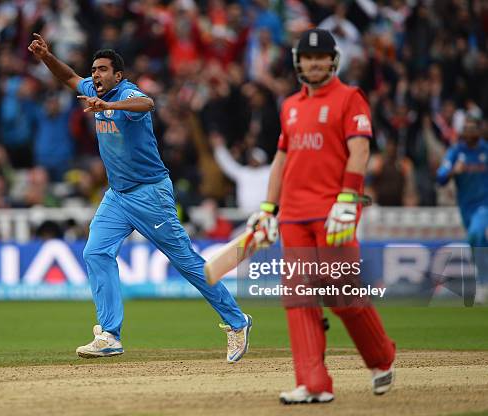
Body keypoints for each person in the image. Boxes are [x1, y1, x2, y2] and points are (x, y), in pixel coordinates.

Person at [28, 34, 251, 362]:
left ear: (118, 75)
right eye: (94, 70)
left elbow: (147, 104)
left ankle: (237, 321)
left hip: (150, 194)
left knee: (186, 262)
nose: (96, 76)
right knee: (96, 252)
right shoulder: (92, 89)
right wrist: (47, 56)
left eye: (103, 70)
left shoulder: (127, 95)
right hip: (117, 196)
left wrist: (109, 105)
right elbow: (68, 77)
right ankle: (110, 334)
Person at [247, 29, 396, 404]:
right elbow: (282, 158)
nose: (315, 63)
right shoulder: (290, 105)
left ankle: (381, 356)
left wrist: (348, 197)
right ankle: (313, 383)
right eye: (308, 57)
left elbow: (359, 150)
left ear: (333, 60)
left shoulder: (350, 98)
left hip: (334, 213)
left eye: (322, 57)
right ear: (299, 61)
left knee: (340, 292)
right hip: (294, 216)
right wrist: (269, 208)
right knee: (298, 297)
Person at [436, 114, 488, 304]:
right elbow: (440, 178)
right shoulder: (455, 152)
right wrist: (453, 171)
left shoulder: (486, 151)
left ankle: (483, 283)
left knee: (476, 234)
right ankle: (483, 281)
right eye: (466, 128)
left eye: (473, 128)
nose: (469, 132)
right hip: (465, 207)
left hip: (484, 204)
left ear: (480, 130)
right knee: (476, 240)